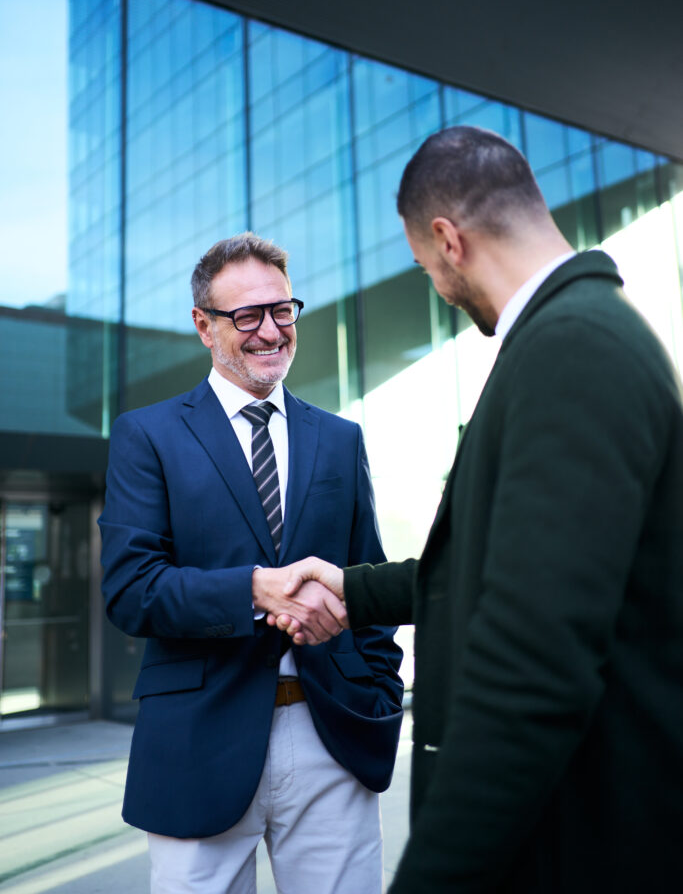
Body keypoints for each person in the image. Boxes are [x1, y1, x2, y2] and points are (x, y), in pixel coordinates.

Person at [273, 126, 683, 893]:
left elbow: (533, 664)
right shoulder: (569, 337)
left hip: (577, 848)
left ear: (447, 240)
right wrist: (351, 587)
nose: (435, 285)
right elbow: (495, 566)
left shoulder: (573, 351)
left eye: (425, 268)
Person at [99, 232, 403, 894]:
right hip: (197, 744)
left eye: (282, 311)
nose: (270, 331)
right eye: (246, 316)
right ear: (203, 327)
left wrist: (380, 696)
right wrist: (256, 591)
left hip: (335, 735)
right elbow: (131, 590)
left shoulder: (340, 438)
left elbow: (368, 582)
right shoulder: (146, 435)